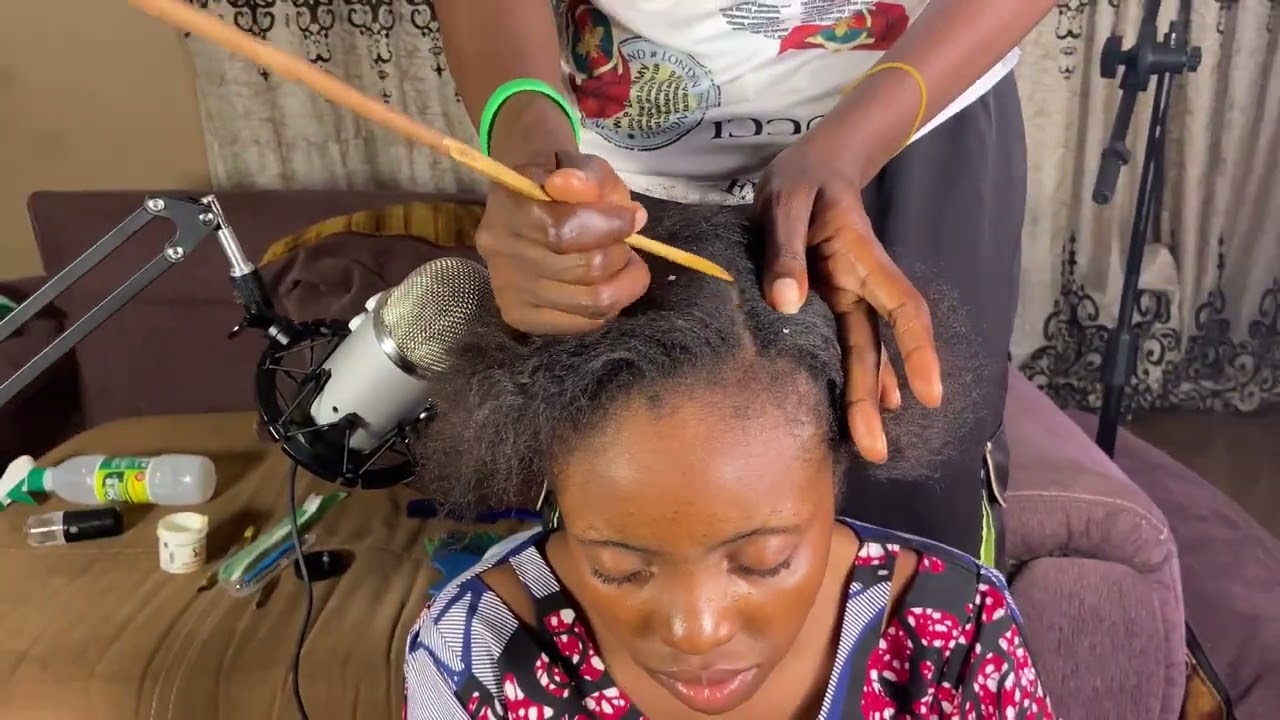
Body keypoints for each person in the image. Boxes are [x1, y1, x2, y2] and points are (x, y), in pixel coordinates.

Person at [434, 0, 1053, 566]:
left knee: (913, 515)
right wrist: (528, 150)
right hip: (618, 168)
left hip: (923, 106)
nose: (695, 634)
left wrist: (854, 143)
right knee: (641, 512)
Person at [404, 199, 1053, 718]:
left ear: (836, 475)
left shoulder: (957, 640)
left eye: (763, 562)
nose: (696, 631)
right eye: (619, 569)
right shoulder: (478, 656)